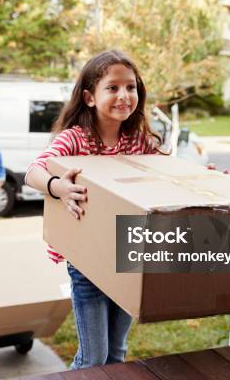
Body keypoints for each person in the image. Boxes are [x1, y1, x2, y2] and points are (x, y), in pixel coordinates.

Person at [25, 50, 165, 369]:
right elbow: (34, 170)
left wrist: (206, 180)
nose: (124, 95)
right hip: (87, 263)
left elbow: (169, 178)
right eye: (113, 88)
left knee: (117, 353)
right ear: (89, 97)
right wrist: (57, 186)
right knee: (93, 357)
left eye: (131, 87)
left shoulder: (138, 142)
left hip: (126, 258)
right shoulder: (75, 139)